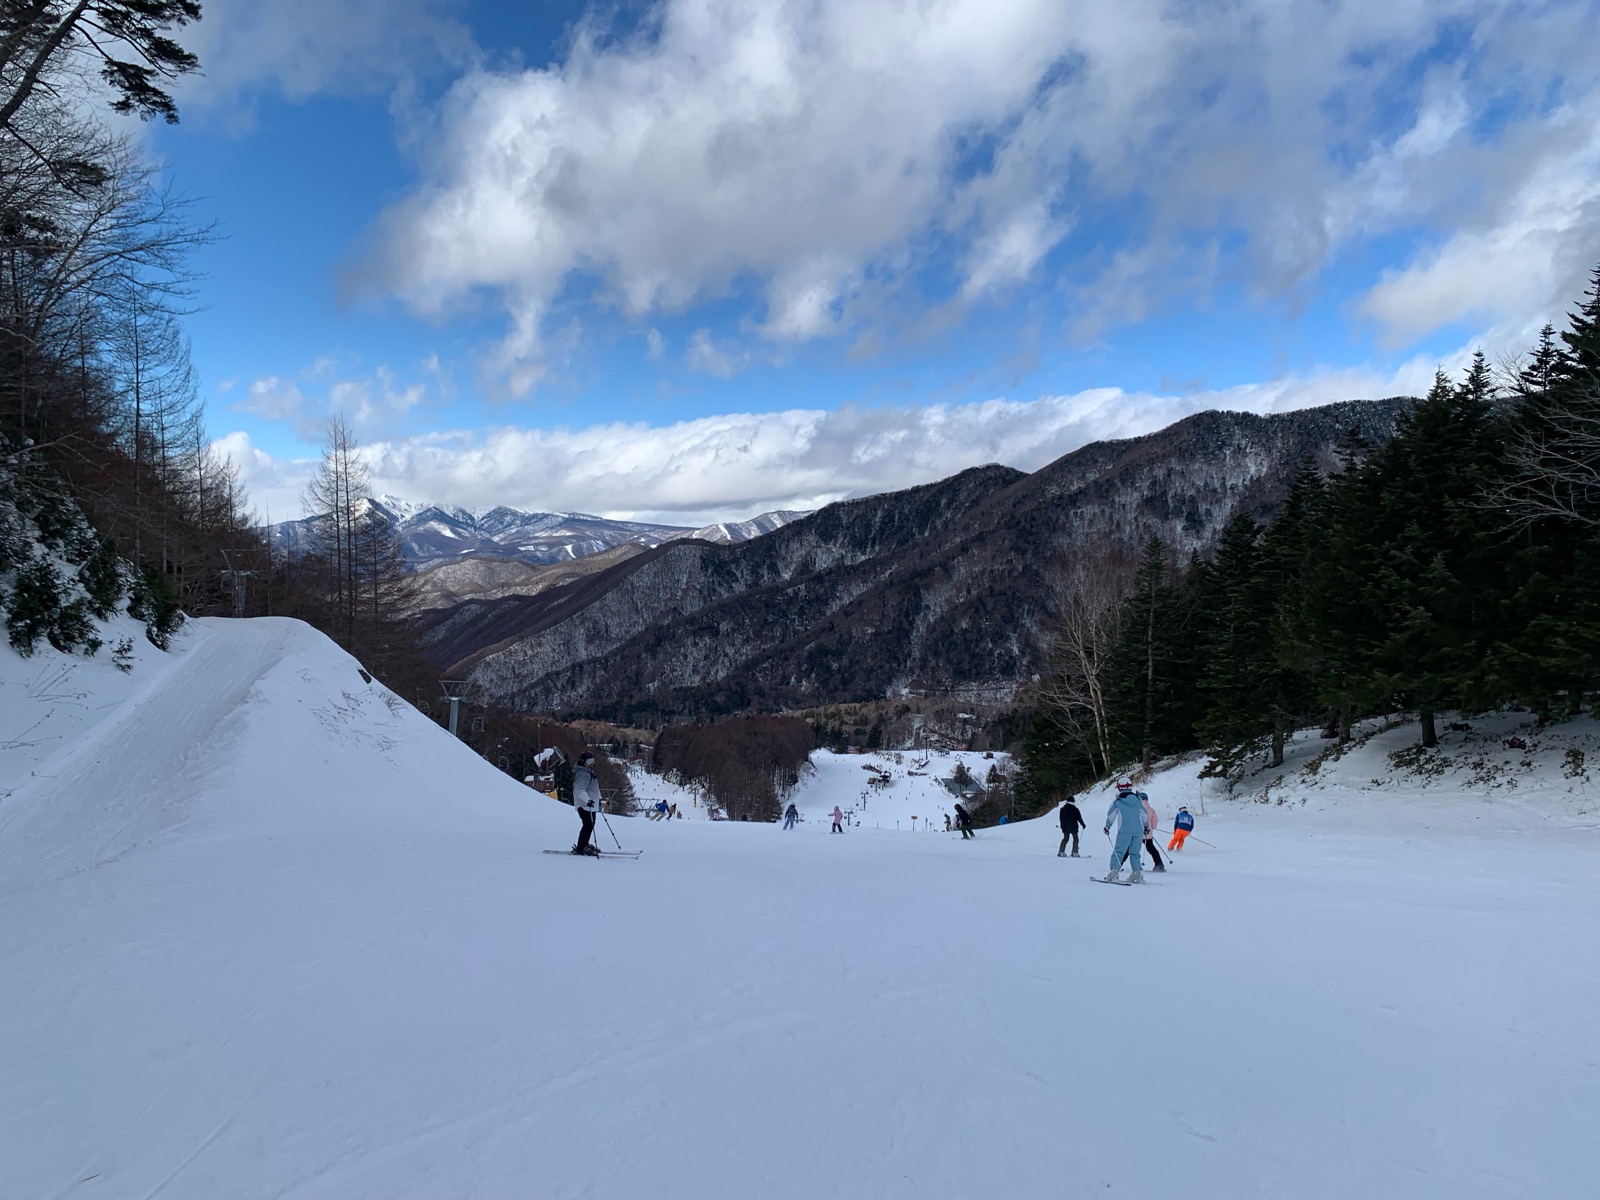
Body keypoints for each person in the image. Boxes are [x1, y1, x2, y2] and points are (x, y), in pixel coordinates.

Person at [1103, 778, 1146, 883]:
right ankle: (1137, 873)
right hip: (1138, 831)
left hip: (1124, 830)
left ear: (1119, 788)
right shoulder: (1138, 800)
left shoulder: (1117, 801)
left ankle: (1114, 872)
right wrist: (1147, 826)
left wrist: (1107, 826)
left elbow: (1111, 815)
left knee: (1118, 851)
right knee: (1135, 853)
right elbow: (1144, 815)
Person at [571, 752, 602, 856]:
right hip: (584, 805)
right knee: (588, 825)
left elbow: (594, 789)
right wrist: (587, 800)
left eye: (593, 761)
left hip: (590, 805)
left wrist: (599, 799)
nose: (591, 764)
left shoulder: (589, 772)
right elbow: (579, 790)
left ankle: (584, 844)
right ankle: (581, 847)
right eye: (589, 762)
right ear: (583, 762)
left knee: (590, 825)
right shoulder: (582, 774)